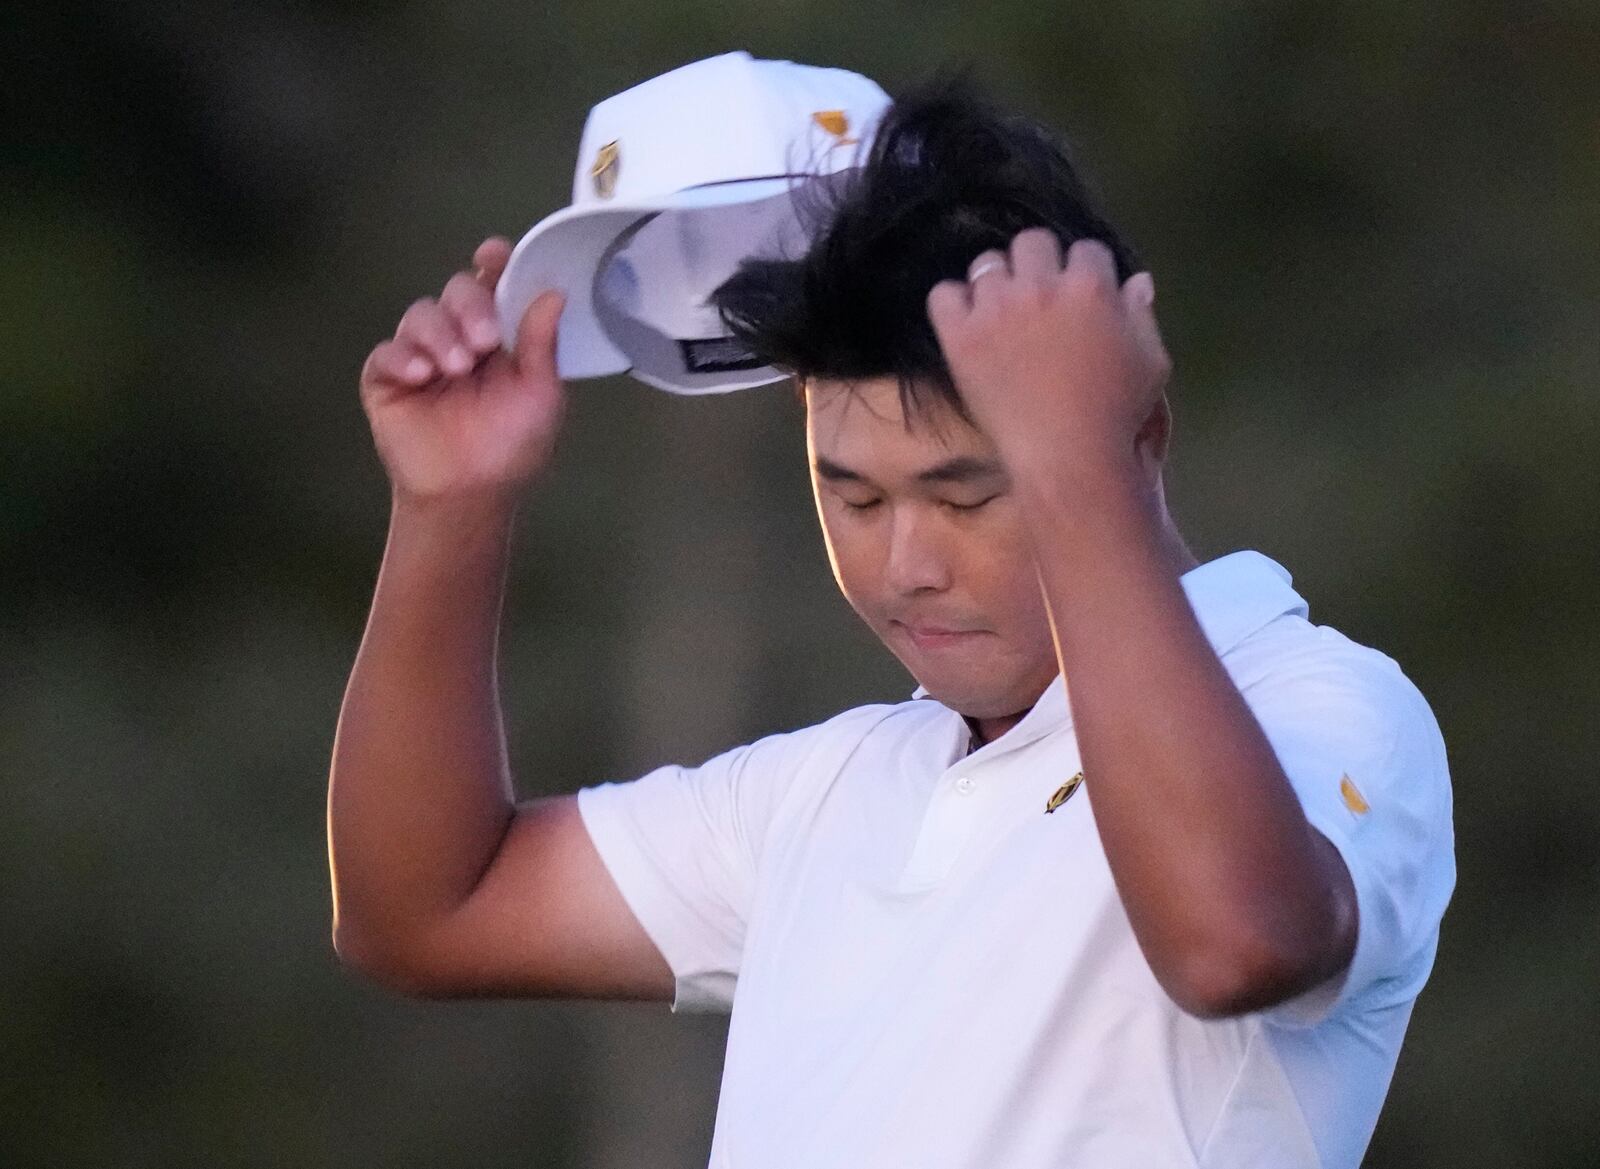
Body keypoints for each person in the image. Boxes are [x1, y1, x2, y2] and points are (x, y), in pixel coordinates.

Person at [327, 66, 1455, 1169]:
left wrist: (1069, 458)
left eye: (969, 491)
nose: (906, 564)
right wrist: (449, 508)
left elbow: (1236, 943)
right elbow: (426, 910)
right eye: (852, 494)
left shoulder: (1318, 700)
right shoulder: (831, 786)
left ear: (1136, 438)